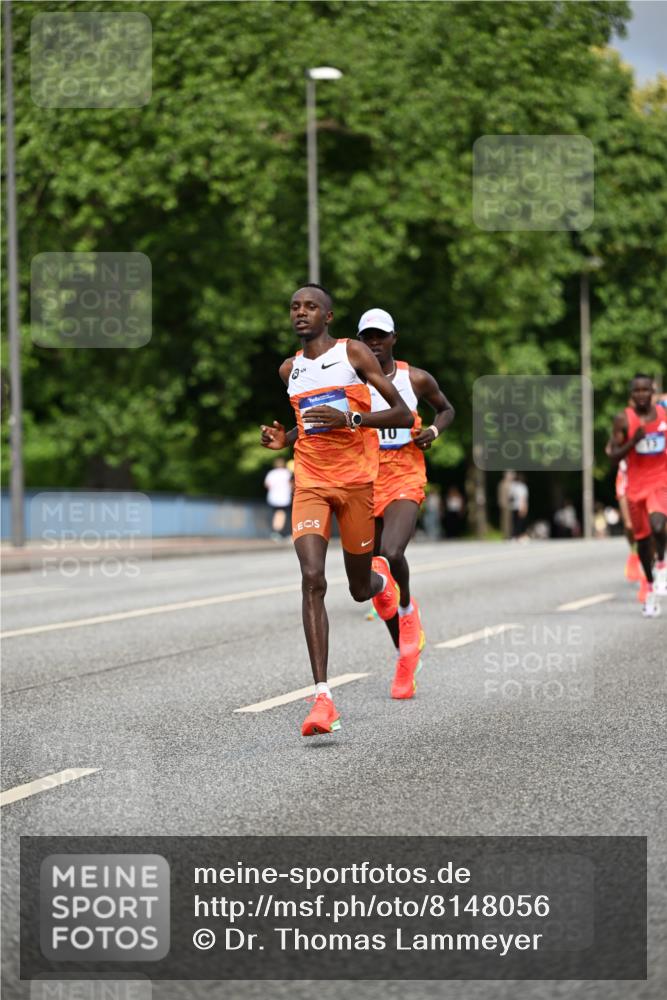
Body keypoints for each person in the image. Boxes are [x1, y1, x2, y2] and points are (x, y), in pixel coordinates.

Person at [260, 284, 413, 736]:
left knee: (359, 590)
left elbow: (402, 413)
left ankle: (381, 583)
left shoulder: (354, 355)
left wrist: (353, 420)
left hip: (356, 484)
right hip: (310, 482)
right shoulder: (289, 369)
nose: (300, 313)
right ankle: (322, 698)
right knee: (312, 578)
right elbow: (308, 422)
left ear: (328, 316)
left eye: (310, 307)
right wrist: (282, 439)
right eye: (294, 307)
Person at [356, 308, 454, 699]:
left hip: (404, 473)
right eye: (367, 337)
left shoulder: (415, 378)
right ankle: (404, 656)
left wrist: (432, 430)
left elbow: (446, 409)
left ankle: (409, 609)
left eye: (381, 336)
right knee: (369, 583)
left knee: (390, 553)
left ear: (394, 338)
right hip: (365, 477)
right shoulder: (352, 382)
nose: (374, 343)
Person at [609, 374, 667, 617]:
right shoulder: (623, 419)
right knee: (642, 541)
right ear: (632, 395)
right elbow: (613, 456)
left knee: (658, 523)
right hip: (635, 486)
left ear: (652, 391)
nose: (642, 394)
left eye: (646, 390)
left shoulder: (664, 416)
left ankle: (662, 565)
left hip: (661, 481)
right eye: (637, 391)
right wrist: (633, 441)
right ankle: (651, 588)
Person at [264, 457, 293, 540]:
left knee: (277, 513)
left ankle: (278, 532)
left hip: (273, 497)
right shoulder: (287, 473)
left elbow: (267, 485)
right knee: (281, 514)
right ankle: (277, 532)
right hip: (284, 497)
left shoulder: (271, 473)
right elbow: (291, 484)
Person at [508, 473, 529, 540]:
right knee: (520, 522)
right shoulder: (522, 487)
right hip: (519, 506)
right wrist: (524, 507)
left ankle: (515, 535)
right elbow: (523, 498)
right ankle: (519, 535)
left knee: (515, 522)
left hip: (514, 506)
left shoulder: (513, 486)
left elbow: (510, 496)